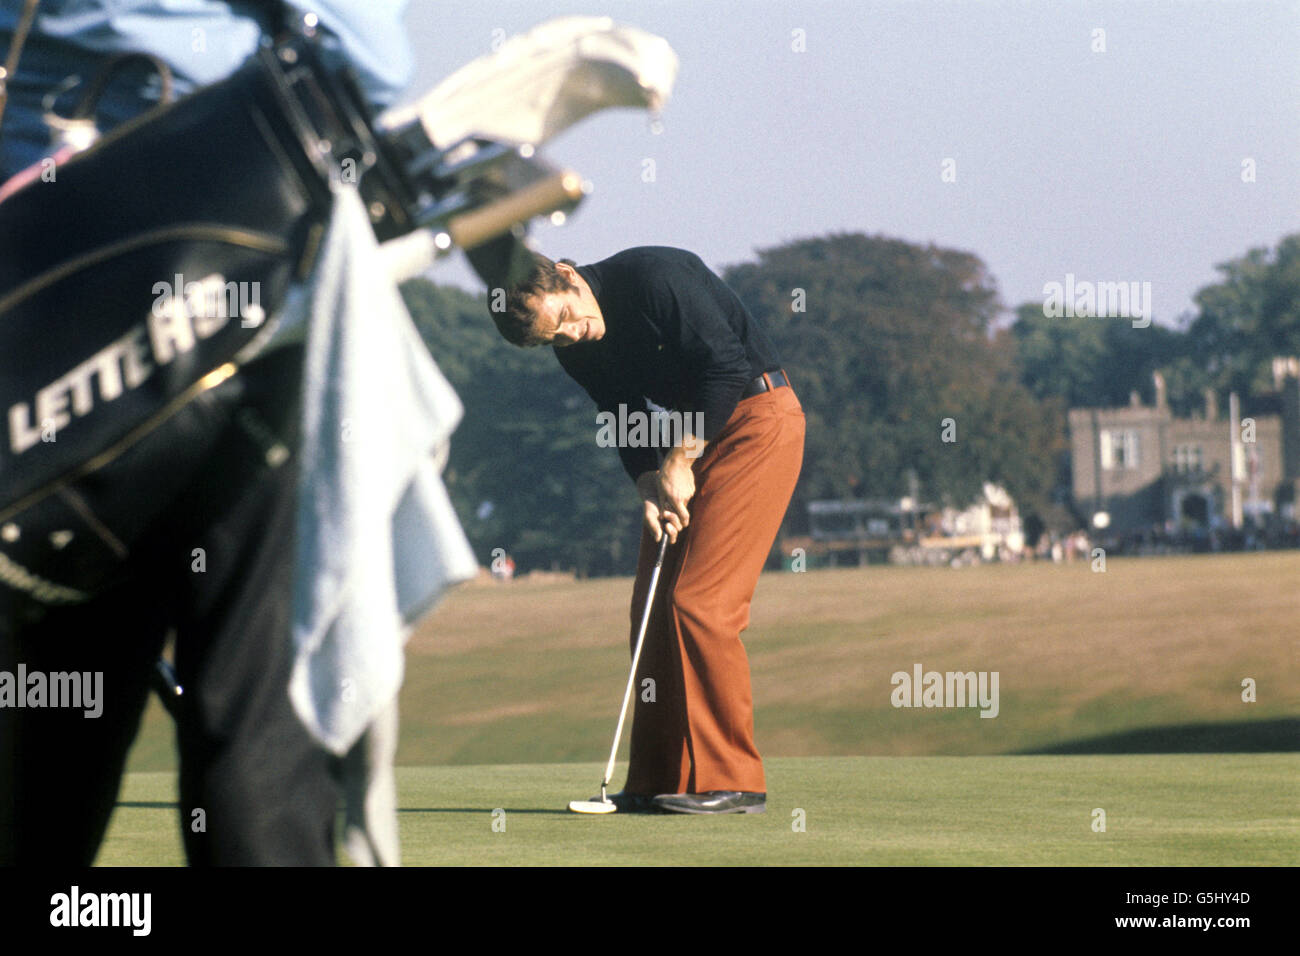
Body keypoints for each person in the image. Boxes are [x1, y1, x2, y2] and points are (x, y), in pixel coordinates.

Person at [0, 0, 477, 866]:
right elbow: (369, 64)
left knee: (36, 760)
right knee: (260, 752)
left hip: (36, 345)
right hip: (248, 325)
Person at [494, 246, 805, 814]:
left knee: (700, 603)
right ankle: (663, 778)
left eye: (565, 318)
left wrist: (680, 462)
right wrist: (647, 485)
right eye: (552, 340)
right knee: (653, 607)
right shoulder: (577, 353)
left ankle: (733, 780)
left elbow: (726, 368)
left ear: (566, 275)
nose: (572, 336)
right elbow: (620, 412)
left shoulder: (654, 278)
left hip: (758, 420)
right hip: (687, 446)